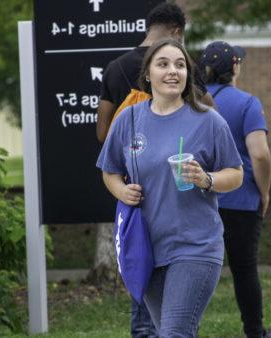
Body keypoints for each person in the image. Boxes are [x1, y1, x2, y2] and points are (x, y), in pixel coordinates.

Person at [97, 38, 243, 337]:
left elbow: (236, 173)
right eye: (163, 64)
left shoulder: (208, 120)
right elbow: (109, 171)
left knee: (174, 332)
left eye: (180, 65)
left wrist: (207, 179)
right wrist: (121, 191)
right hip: (145, 249)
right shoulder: (129, 118)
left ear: (188, 74)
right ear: (148, 74)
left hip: (195, 246)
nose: (172, 71)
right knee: (169, 331)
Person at [200, 41, 271, 338]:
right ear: (233, 67)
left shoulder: (193, 101)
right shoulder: (247, 103)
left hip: (203, 198)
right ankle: (255, 332)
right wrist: (265, 191)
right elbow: (259, 153)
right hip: (242, 199)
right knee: (244, 270)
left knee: (198, 269)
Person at [96, 2, 215, 144]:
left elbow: (103, 134)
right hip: (175, 155)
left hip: (129, 158)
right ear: (177, 32)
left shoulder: (114, 68)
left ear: (148, 30)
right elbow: (211, 114)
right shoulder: (182, 68)